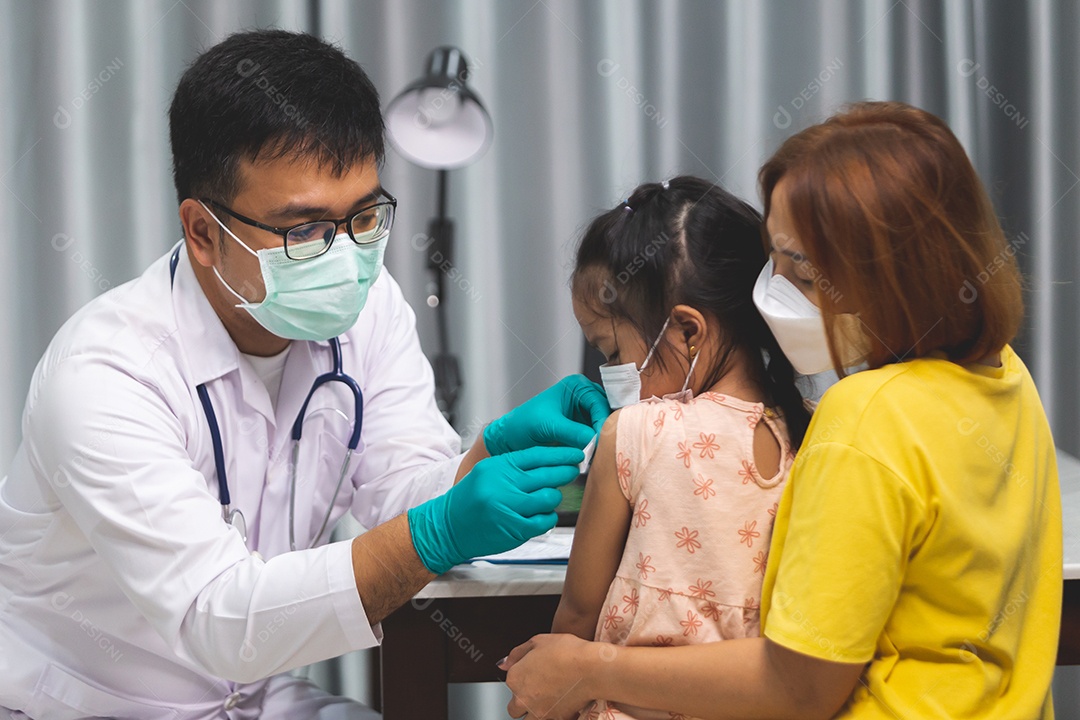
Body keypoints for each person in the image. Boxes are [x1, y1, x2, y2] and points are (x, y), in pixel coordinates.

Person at [0, 30, 607, 719]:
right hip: (88, 707)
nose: (346, 258)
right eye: (305, 229)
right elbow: (221, 618)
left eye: (364, 216)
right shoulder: (106, 376)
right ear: (202, 233)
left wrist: (480, 459)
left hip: (249, 699)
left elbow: (398, 497)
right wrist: (439, 530)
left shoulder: (369, 308)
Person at [503, 101, 1062, 720]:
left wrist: (585, 668)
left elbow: (797, 686)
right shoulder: (1009, 377)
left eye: (798, 271)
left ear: (885, 275)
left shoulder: (865, 418)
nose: (769, 295)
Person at [551, 177, 811, 720]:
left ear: (688, 333)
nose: (608, 373)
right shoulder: (808, 437)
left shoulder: (636, 431)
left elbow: (577, 617)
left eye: (611, 348)